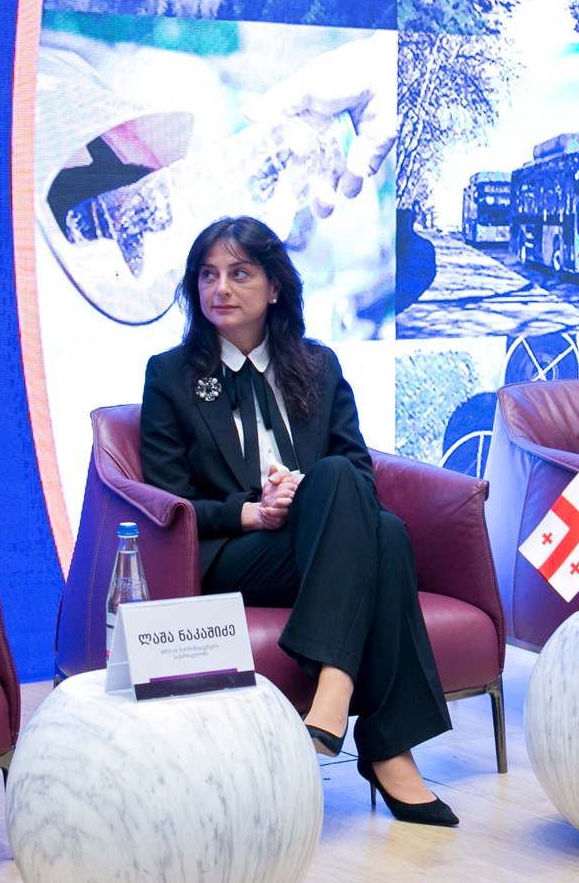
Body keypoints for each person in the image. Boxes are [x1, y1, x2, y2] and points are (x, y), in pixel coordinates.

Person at [140, 217, 459, 824]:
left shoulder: (319, 365)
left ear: (275, 287)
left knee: (351, 494)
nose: (220, 289)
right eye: (207, 275)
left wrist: (302, 491)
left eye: (239, 273)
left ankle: (343, 698)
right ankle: (380, 740)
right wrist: (251, 512)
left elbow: (359, 475)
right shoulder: (171, 375)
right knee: (381, 534)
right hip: (234, 554)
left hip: (319, 544)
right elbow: (167, 504)